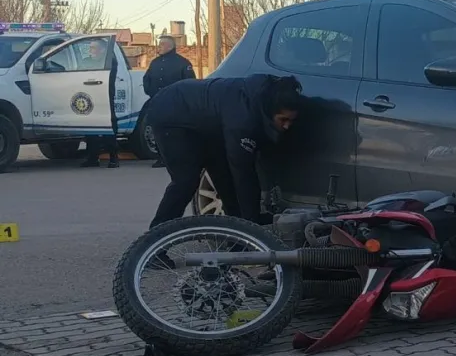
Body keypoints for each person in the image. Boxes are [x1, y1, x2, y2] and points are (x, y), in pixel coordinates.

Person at [146, 74, 302, 229]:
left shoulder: (270, 93)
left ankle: (236, 237)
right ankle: (154, 240)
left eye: (291, 121)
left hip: (206, 122)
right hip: (171, 113)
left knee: (223, 174)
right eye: (283, 120)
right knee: (186, 181)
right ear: (270, 112)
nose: (287, 126)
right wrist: (252, 222)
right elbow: (244, 175)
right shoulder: (243, 120)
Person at [142, 35, 196, 167]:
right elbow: (146, 80)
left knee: (177, 132)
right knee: (159, 131)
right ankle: (162, 157)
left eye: (162, 44)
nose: (159, 47)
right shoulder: (155, 63)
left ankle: (180, 158)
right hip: (158, 103)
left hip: (176, 104)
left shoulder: (183, 63)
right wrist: (153, 94)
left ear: (170, 46)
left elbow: (190, 84)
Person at [79, 38, 120, 169]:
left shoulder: (110, 62)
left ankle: (113, 158)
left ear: (102, 50)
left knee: (109, 127)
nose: (90, 51)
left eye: (93, 48)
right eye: (90, 48)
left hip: (104, 97)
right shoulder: (86, 62)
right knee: (90, 128)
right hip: (89, 98)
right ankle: (92, 157)